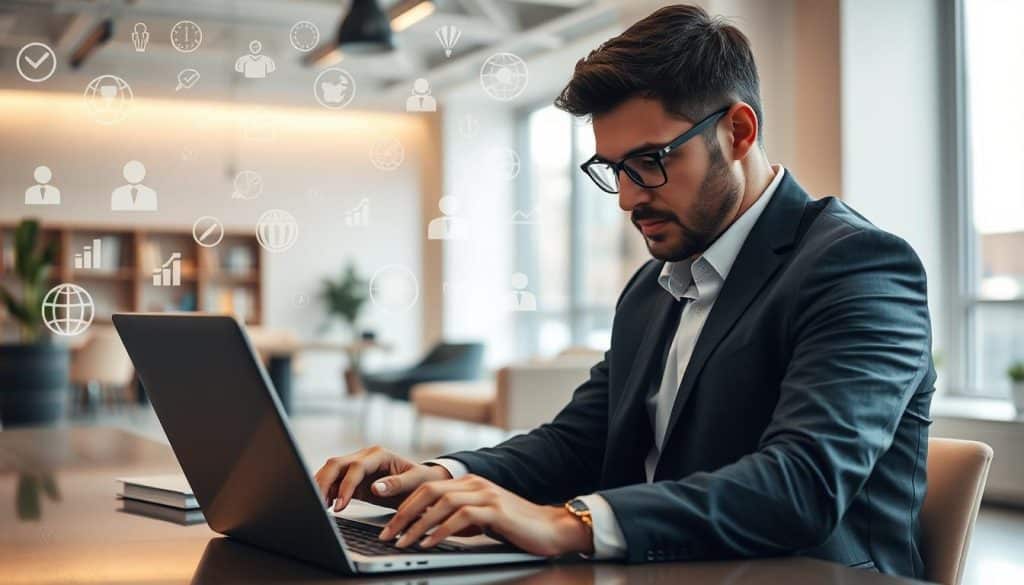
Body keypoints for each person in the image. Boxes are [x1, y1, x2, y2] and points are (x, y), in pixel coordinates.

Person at [314, 4, 934, 578]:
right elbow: (577, 442)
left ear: (739, 132)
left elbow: (802, 486)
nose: (631, 197)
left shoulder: (859, 266)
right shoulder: (653, 286)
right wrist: (437, 476)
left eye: (651, 160)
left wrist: (567, 521)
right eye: (614, 170)